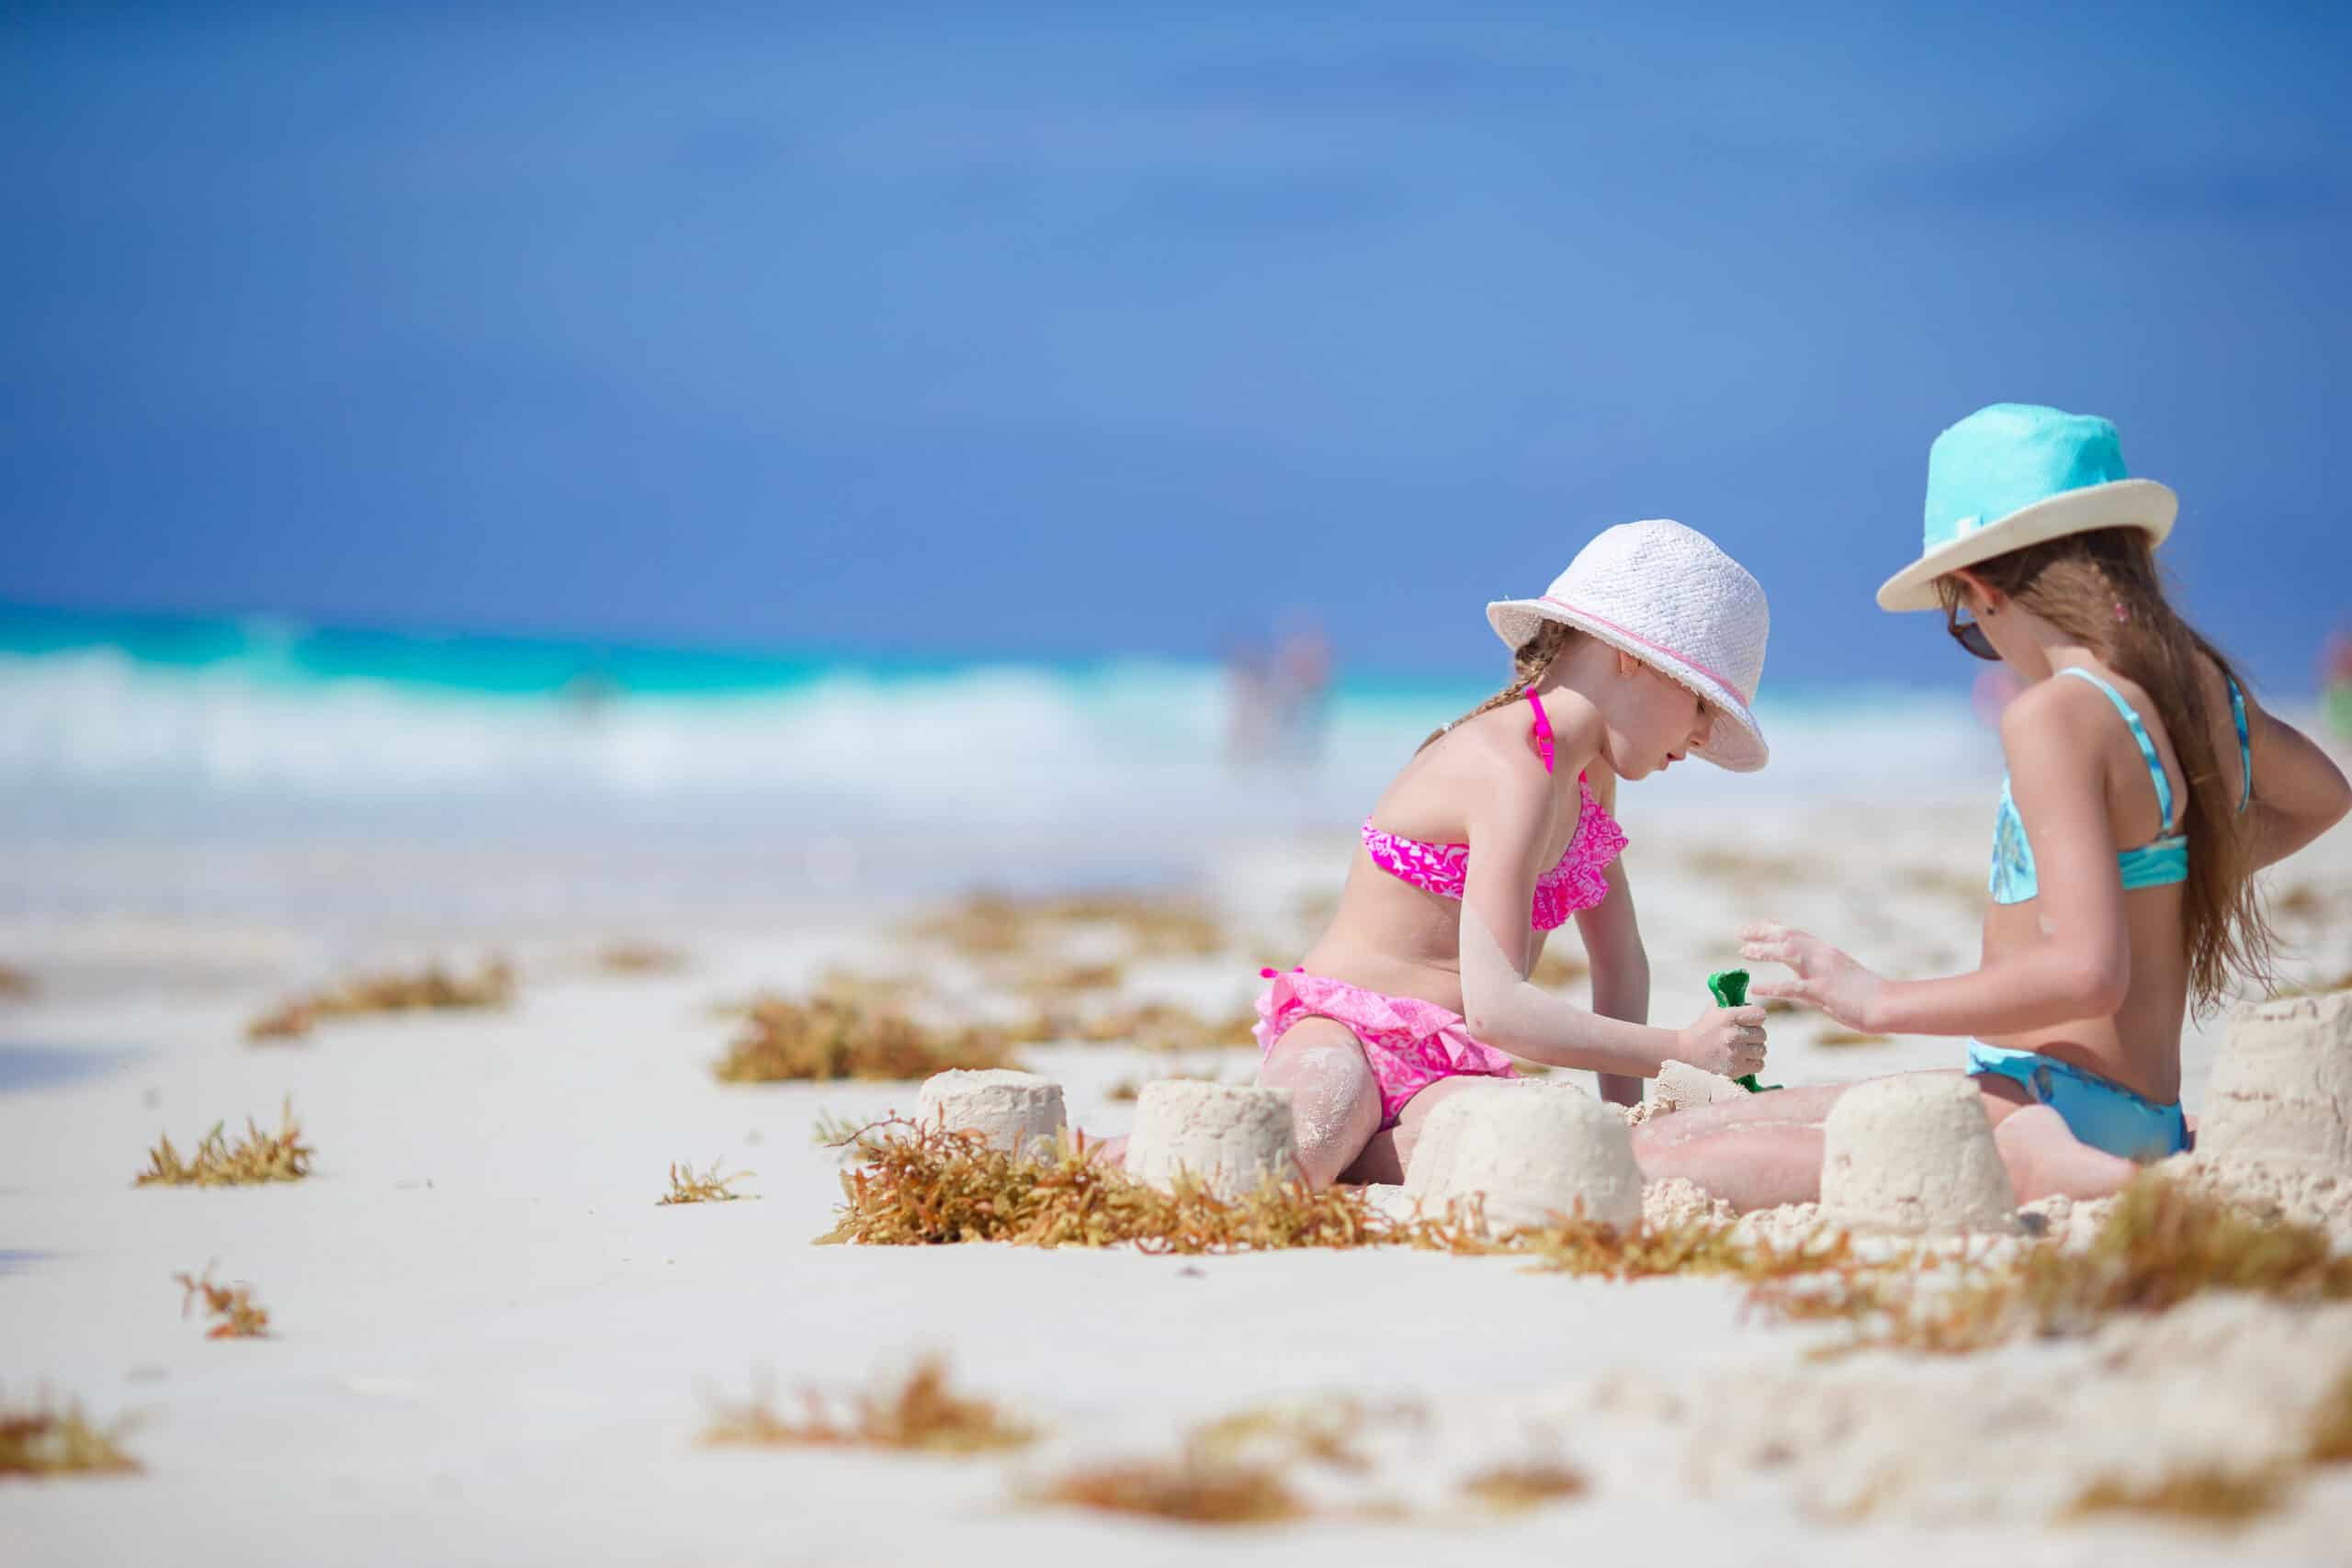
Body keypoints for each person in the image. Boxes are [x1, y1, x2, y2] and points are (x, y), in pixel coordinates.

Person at [1635, 403, 2352, 1208]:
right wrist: (2158, 883)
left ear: (1982, 587)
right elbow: (2325, 797)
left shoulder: (2053, 715)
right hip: (2113, 1105)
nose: (1984, 641)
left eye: (1968, 624)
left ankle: (2066, 1173)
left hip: (2049, 1108)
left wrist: (1876, 1000)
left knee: (1657, 1159)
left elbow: (2089, 973)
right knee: (1696, 1125)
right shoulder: (2193, 692)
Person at [1243, 519, 1775, 1186]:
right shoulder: (1510, 769)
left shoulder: (1588, 782)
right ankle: (1113, 1152)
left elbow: (1620, 962)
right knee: (1301, 1149)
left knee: (1549, 1141)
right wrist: (1679, 1049)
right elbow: (1498, 1007)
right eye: (1700, 704)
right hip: (1346, 1031)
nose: (1700, 736)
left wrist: (1626, 1120)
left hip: (1450, 1061)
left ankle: (1365, 1155)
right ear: (1631, 657)